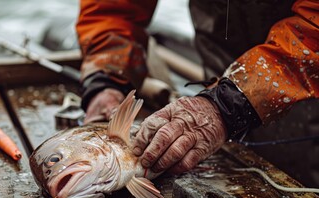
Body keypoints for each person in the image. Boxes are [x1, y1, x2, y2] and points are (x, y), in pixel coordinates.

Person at [76, 0, 319, 174]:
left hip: (306, 72)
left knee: (297, 189)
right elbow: (113, 9)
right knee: (230, 168)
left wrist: (227, 105)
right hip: (220, 55)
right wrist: (107, 76)